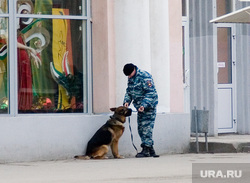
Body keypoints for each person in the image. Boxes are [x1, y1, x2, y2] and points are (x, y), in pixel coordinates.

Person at [123, 63, 159, 158]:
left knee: (146, 128)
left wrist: (144, 105)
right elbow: (129, 91)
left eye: (129, 74)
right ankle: (150, 149)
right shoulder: (131, 77)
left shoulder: (144, 76)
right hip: (140, 108)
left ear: (133, 70)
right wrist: (126, 101)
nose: (129, 77)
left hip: (148, 106)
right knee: (141, 128)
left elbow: (150, 93)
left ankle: (146, 149)